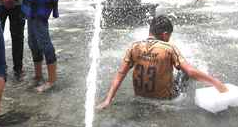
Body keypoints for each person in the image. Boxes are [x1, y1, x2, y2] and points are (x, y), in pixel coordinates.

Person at [97, 15, 228, 110]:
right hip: (165, 100)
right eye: (169, 36)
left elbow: (120, 74)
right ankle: (203, 84)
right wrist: (216, 83)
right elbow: (190, 71)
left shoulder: (134, 47)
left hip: (141, 97)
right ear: (165, 35)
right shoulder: (169, 48)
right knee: (185, 73)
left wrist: (108, 100)